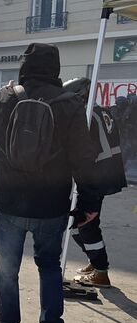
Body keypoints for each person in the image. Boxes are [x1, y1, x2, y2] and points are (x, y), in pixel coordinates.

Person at [0, 43, 101, 323]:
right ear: (55, 68)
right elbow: (84, 159)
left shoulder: (7, 97)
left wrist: (1, 95)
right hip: (52, 206)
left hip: (9, 203)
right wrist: (88, 205)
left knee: (7, 270)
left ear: (24, 67)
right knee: (49, 266)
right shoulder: (69, 103)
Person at [63, 77, 127, 287]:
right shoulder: (104, 110)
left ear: (79, 96)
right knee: (83, 222)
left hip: (93, 177)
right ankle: (94, 260)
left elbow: (83, 153)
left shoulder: (86, 115)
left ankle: (101, 271)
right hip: (107, 173)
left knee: (84, 223)